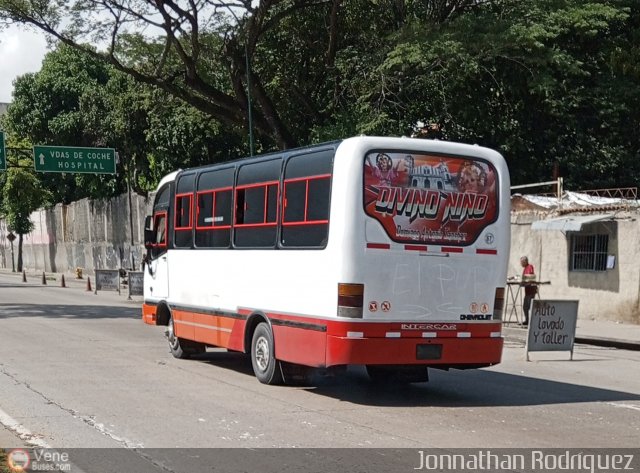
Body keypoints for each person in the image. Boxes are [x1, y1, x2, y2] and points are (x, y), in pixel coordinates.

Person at [520, 256, 536, 326]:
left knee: (530, 306)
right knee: (525, 306)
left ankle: (531, 321)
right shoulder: (524, 269)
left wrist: (524, 280)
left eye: (522, 262)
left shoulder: (529, 267)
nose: (521, 264)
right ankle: (527, 320)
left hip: (531, 290)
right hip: (527, 291)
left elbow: (530, 276)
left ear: (525, 261)